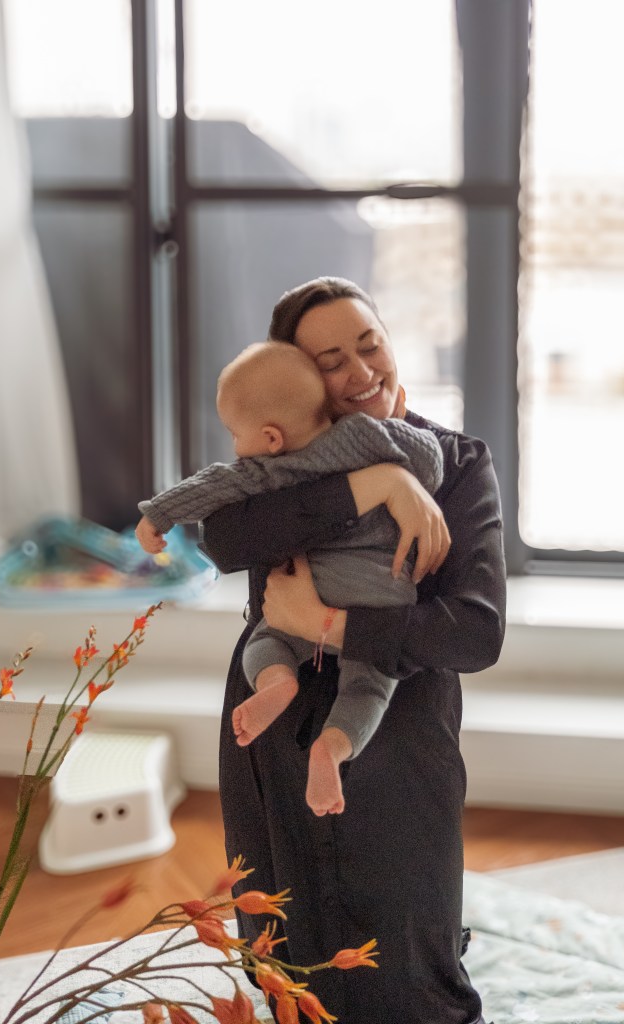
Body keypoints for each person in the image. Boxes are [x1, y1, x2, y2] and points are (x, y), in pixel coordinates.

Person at [199, 278, 507, 1024]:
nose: (361, 371)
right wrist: (373, 484)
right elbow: (223, 539)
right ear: (297, 376)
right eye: (331, 359)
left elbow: (475, 630)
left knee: (410, 964)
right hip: (273, 722)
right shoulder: (272, 468)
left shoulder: (459, 463)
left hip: (397, 722)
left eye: (369, 344)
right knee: (286, 951)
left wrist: (335, 626)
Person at [136, 340, 443, 816]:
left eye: (235, 434)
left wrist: (157, 515)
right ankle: (333, 750)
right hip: (383, 592)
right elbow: (431, 461)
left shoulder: (265, 469)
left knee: (267, 642)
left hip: (307, 587)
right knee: (370, 685)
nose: (236, 447)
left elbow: (211, 485)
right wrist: (397, 437)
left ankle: (278, 682)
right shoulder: (361, 435)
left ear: (271, 437)